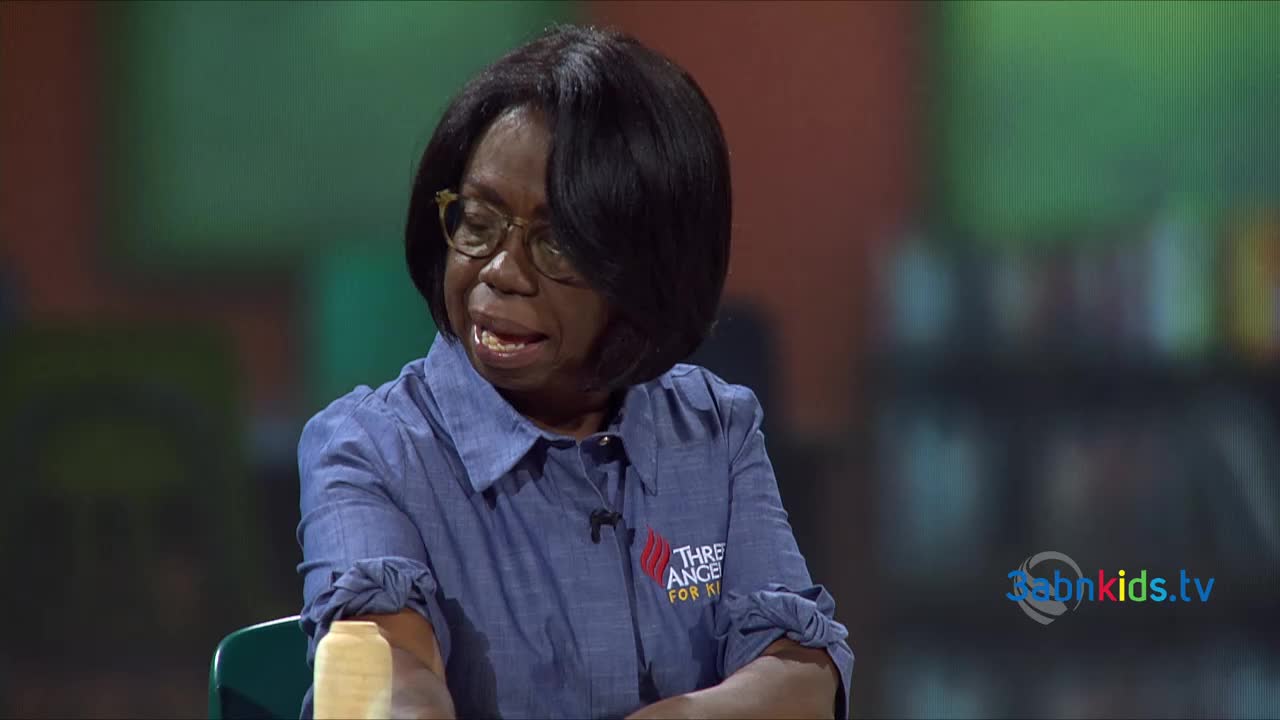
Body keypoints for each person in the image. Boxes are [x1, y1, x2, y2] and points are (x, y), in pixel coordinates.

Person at [297, 24, 853, 719]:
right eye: (477, 221)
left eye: (556, 243)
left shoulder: (715, 430)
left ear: (650, 270)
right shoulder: (369, 448)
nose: (499, 272)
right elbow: (379, 665)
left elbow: (799, 676)